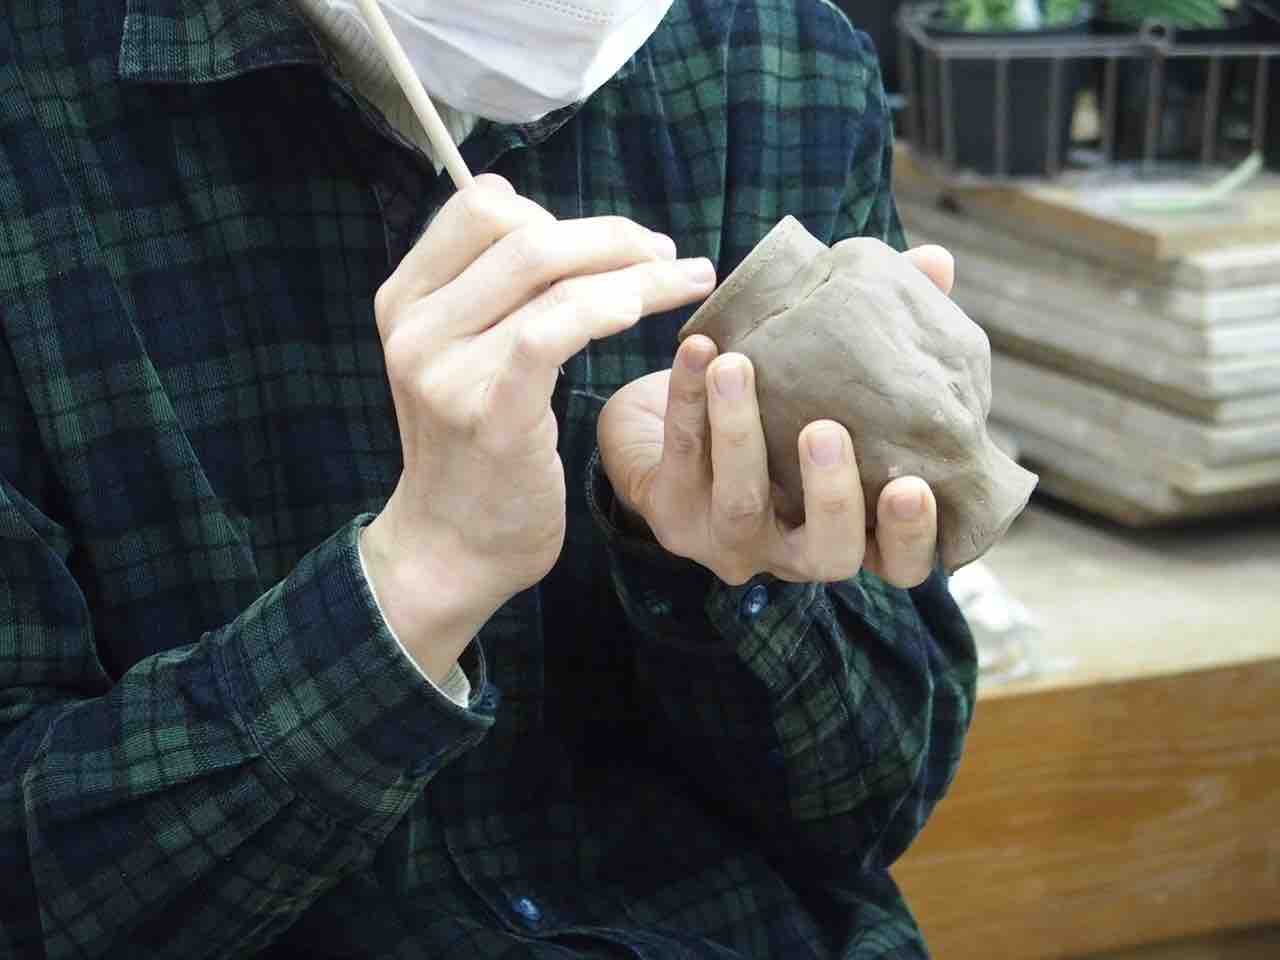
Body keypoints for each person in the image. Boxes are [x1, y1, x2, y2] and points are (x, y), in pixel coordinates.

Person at [0, 0, 976, 956]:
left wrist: (716, 568)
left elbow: (872, 807)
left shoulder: (781, 58)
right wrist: (417, 580)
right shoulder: (31, 107)